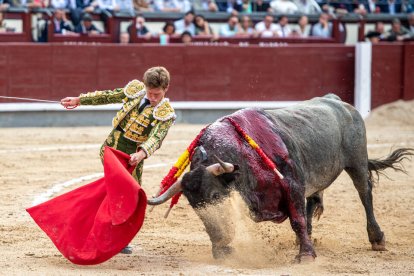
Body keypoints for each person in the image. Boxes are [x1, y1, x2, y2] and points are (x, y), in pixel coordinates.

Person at [60, 66, 176, 188]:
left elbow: (157, 137)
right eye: (150, 93)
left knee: (132, 187)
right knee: (116, 183)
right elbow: (108, 96)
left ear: (166, 88)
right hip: (112, 143)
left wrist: (141, 154)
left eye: (157, 94)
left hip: (133, 151)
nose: (152, 98)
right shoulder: (137, 91)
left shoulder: (166, 112)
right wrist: (79, 100)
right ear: (145, 85)